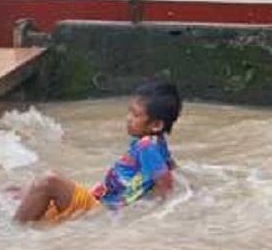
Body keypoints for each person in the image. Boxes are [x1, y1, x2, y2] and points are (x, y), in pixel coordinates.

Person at [13, 81, 182, 223]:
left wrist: (154, 218)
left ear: (156, 125)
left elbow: (166, 189)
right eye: (129, 111)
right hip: (98, 200)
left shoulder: (147, 146)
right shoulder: (157, 143)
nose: (128, 118)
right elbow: (171, 167)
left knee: (47, 181)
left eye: (136, 115)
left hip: (99, 209)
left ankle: (12, 234)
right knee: (18, 192)